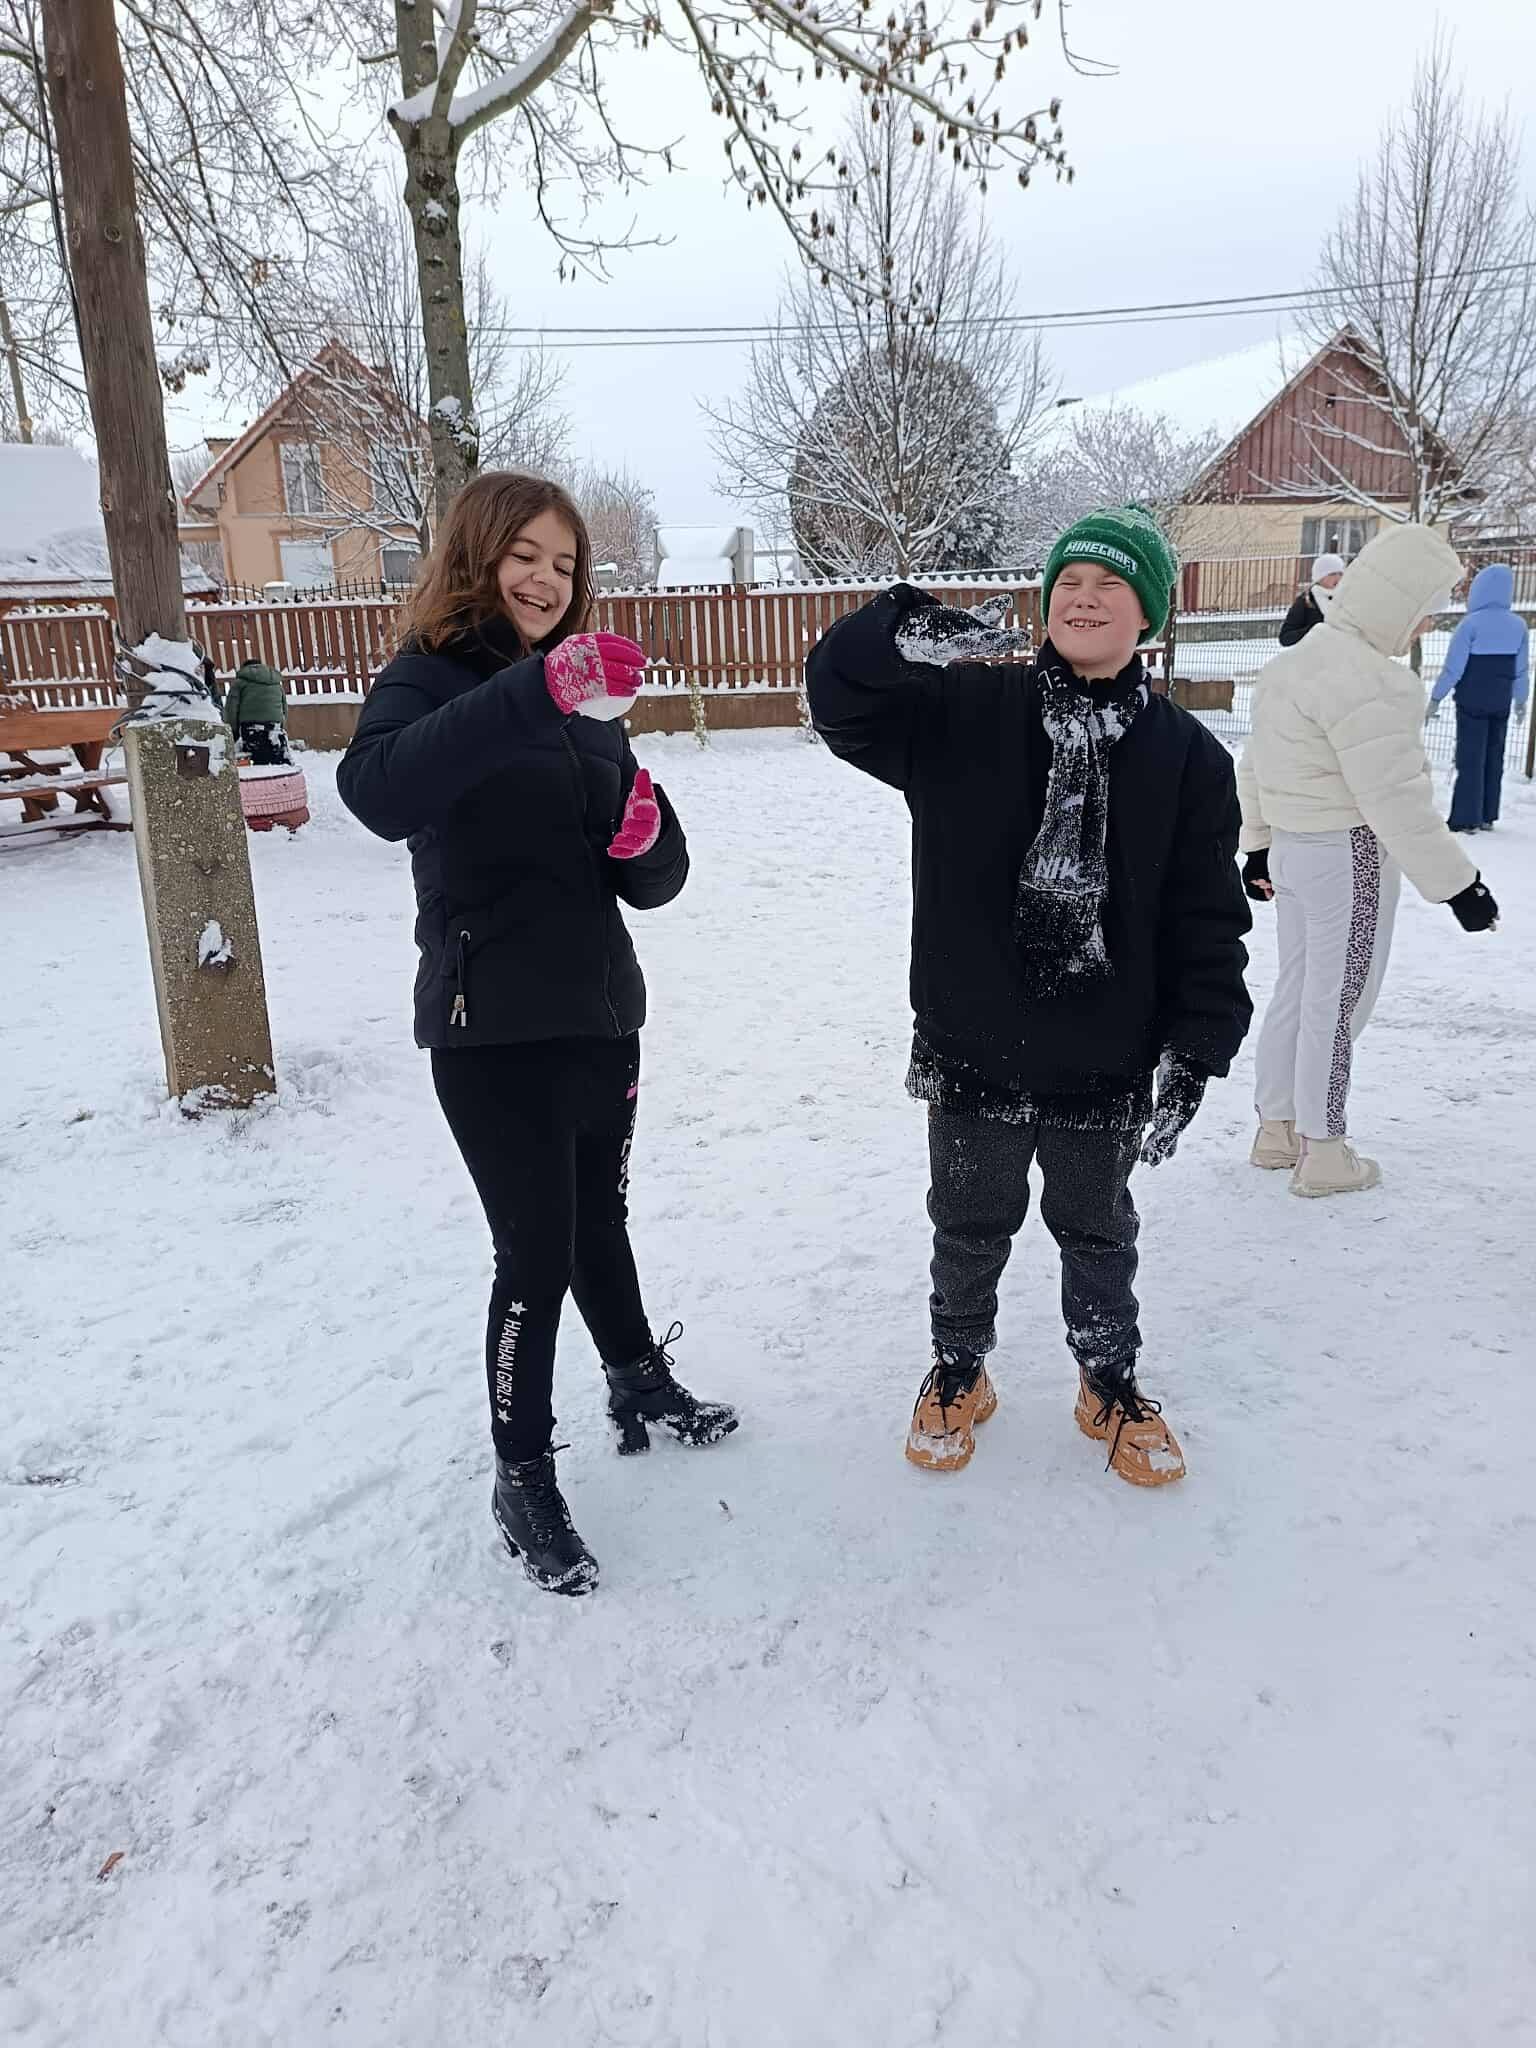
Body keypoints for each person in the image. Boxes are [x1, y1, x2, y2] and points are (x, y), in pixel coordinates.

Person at [337, 472, 736, 1598]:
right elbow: (376, 792)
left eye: (564, 564)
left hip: (600, 1012)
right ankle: (522, 1477)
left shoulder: (588, 697)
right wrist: (534, 692)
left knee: (599, 1217)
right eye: (525, 556)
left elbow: (650, 875)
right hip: (491, 1029)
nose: (546, 580)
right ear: (476, 555)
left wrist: (649, 843)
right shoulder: (425, 678)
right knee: (536, 1253)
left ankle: (637, 1377)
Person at [806, 507, 1252, 1488]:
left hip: (1107, 1050)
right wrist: (893, 627)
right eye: (1068, 583)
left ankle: (1108, 1379)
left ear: (1150, 615)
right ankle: (959, 1368)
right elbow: (838, 704)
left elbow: (1208, 917)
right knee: (968, 1226)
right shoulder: (963, 711)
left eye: (1110, 584)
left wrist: (1199, 1043)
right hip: (974, 1040)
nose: (1084, 598)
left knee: (1098, 1230)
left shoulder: (1188, 756)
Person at [1239, 524, 1501, 1198]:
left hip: (1293, 848)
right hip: (1347, 856)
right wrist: (1460, 886)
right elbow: (1395, 800)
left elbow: (1255, 763)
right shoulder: (1372, 682)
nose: (1426, 626)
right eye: (1426, 610)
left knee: (1298, 991)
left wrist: (1257, 843)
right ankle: (1324, 1153)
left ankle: (1277, 1128)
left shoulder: (1293, 662)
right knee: (1338, 1001)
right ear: (1396, 602)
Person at [1427, 562, 1530, 834]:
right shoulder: (1518, 626)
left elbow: (1453, 669)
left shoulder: (1470, 625)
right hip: (1501, 701)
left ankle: (1466, 817)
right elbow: (1521, 669)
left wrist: (1436, 697)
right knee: (1495, 757)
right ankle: (1487, 814)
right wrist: (1521, 700)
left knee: (1470, 757)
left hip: (1471, 701)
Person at [223, 656, 292, 765]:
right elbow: (284, 708)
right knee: (278, 762)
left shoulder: (239, 683)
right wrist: (280, 726)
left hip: (251, 728)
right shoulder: (276, 683)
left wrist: (233, 732)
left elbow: (231, 709)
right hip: (275, 727)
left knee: (256, 763)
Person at [1277, 551, 1346, 647]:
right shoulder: (1306, 601)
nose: (1338, 577)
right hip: (1314, 654)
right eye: (1332, 574)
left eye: (1341, 573)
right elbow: (1285, 638)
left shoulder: (1347, 599)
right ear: (1319, 577)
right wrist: (1315, 630)